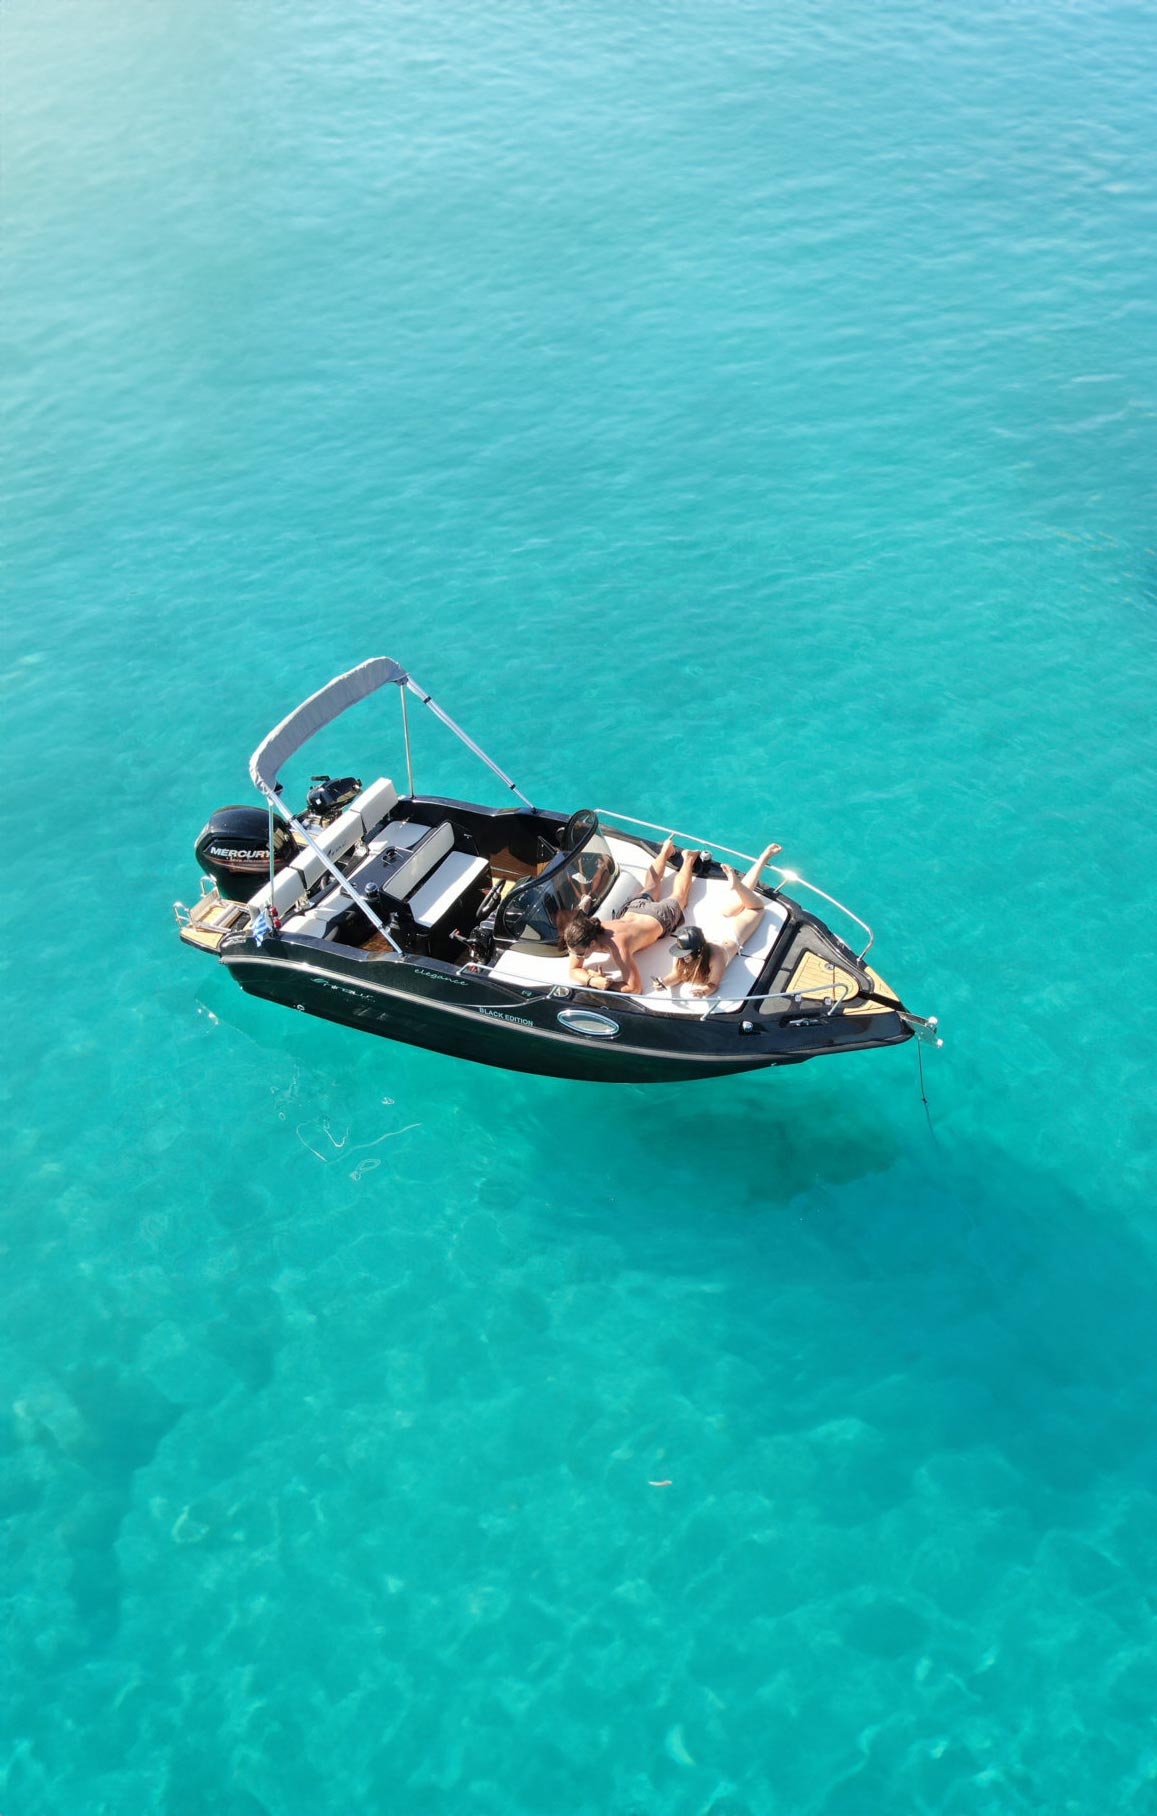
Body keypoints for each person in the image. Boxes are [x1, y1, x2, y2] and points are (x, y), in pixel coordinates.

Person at [562, 837, 701, 993]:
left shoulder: (619, 948)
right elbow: (573, 970)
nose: (576, 956)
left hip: (657, 917)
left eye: (579, 954)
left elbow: (635, 988)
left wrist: (607, 984)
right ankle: (666, 851)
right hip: (634, 909)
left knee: (679, 896)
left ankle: (689, 858)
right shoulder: (584, 932)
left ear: (592, 943)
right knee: (651, 885)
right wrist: (592, 980)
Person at [654, 842, 782, 998]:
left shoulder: (716, 957)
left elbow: (714, 984)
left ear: (698, 951)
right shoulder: (682, 952)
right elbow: (677, 975)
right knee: (742, 898)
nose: (683, 956)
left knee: (756, 908)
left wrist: (704, 991)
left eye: (686, 953)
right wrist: (663, 982)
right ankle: (751, 872)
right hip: (718, 924)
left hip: (732, 933)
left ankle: (744, 880)